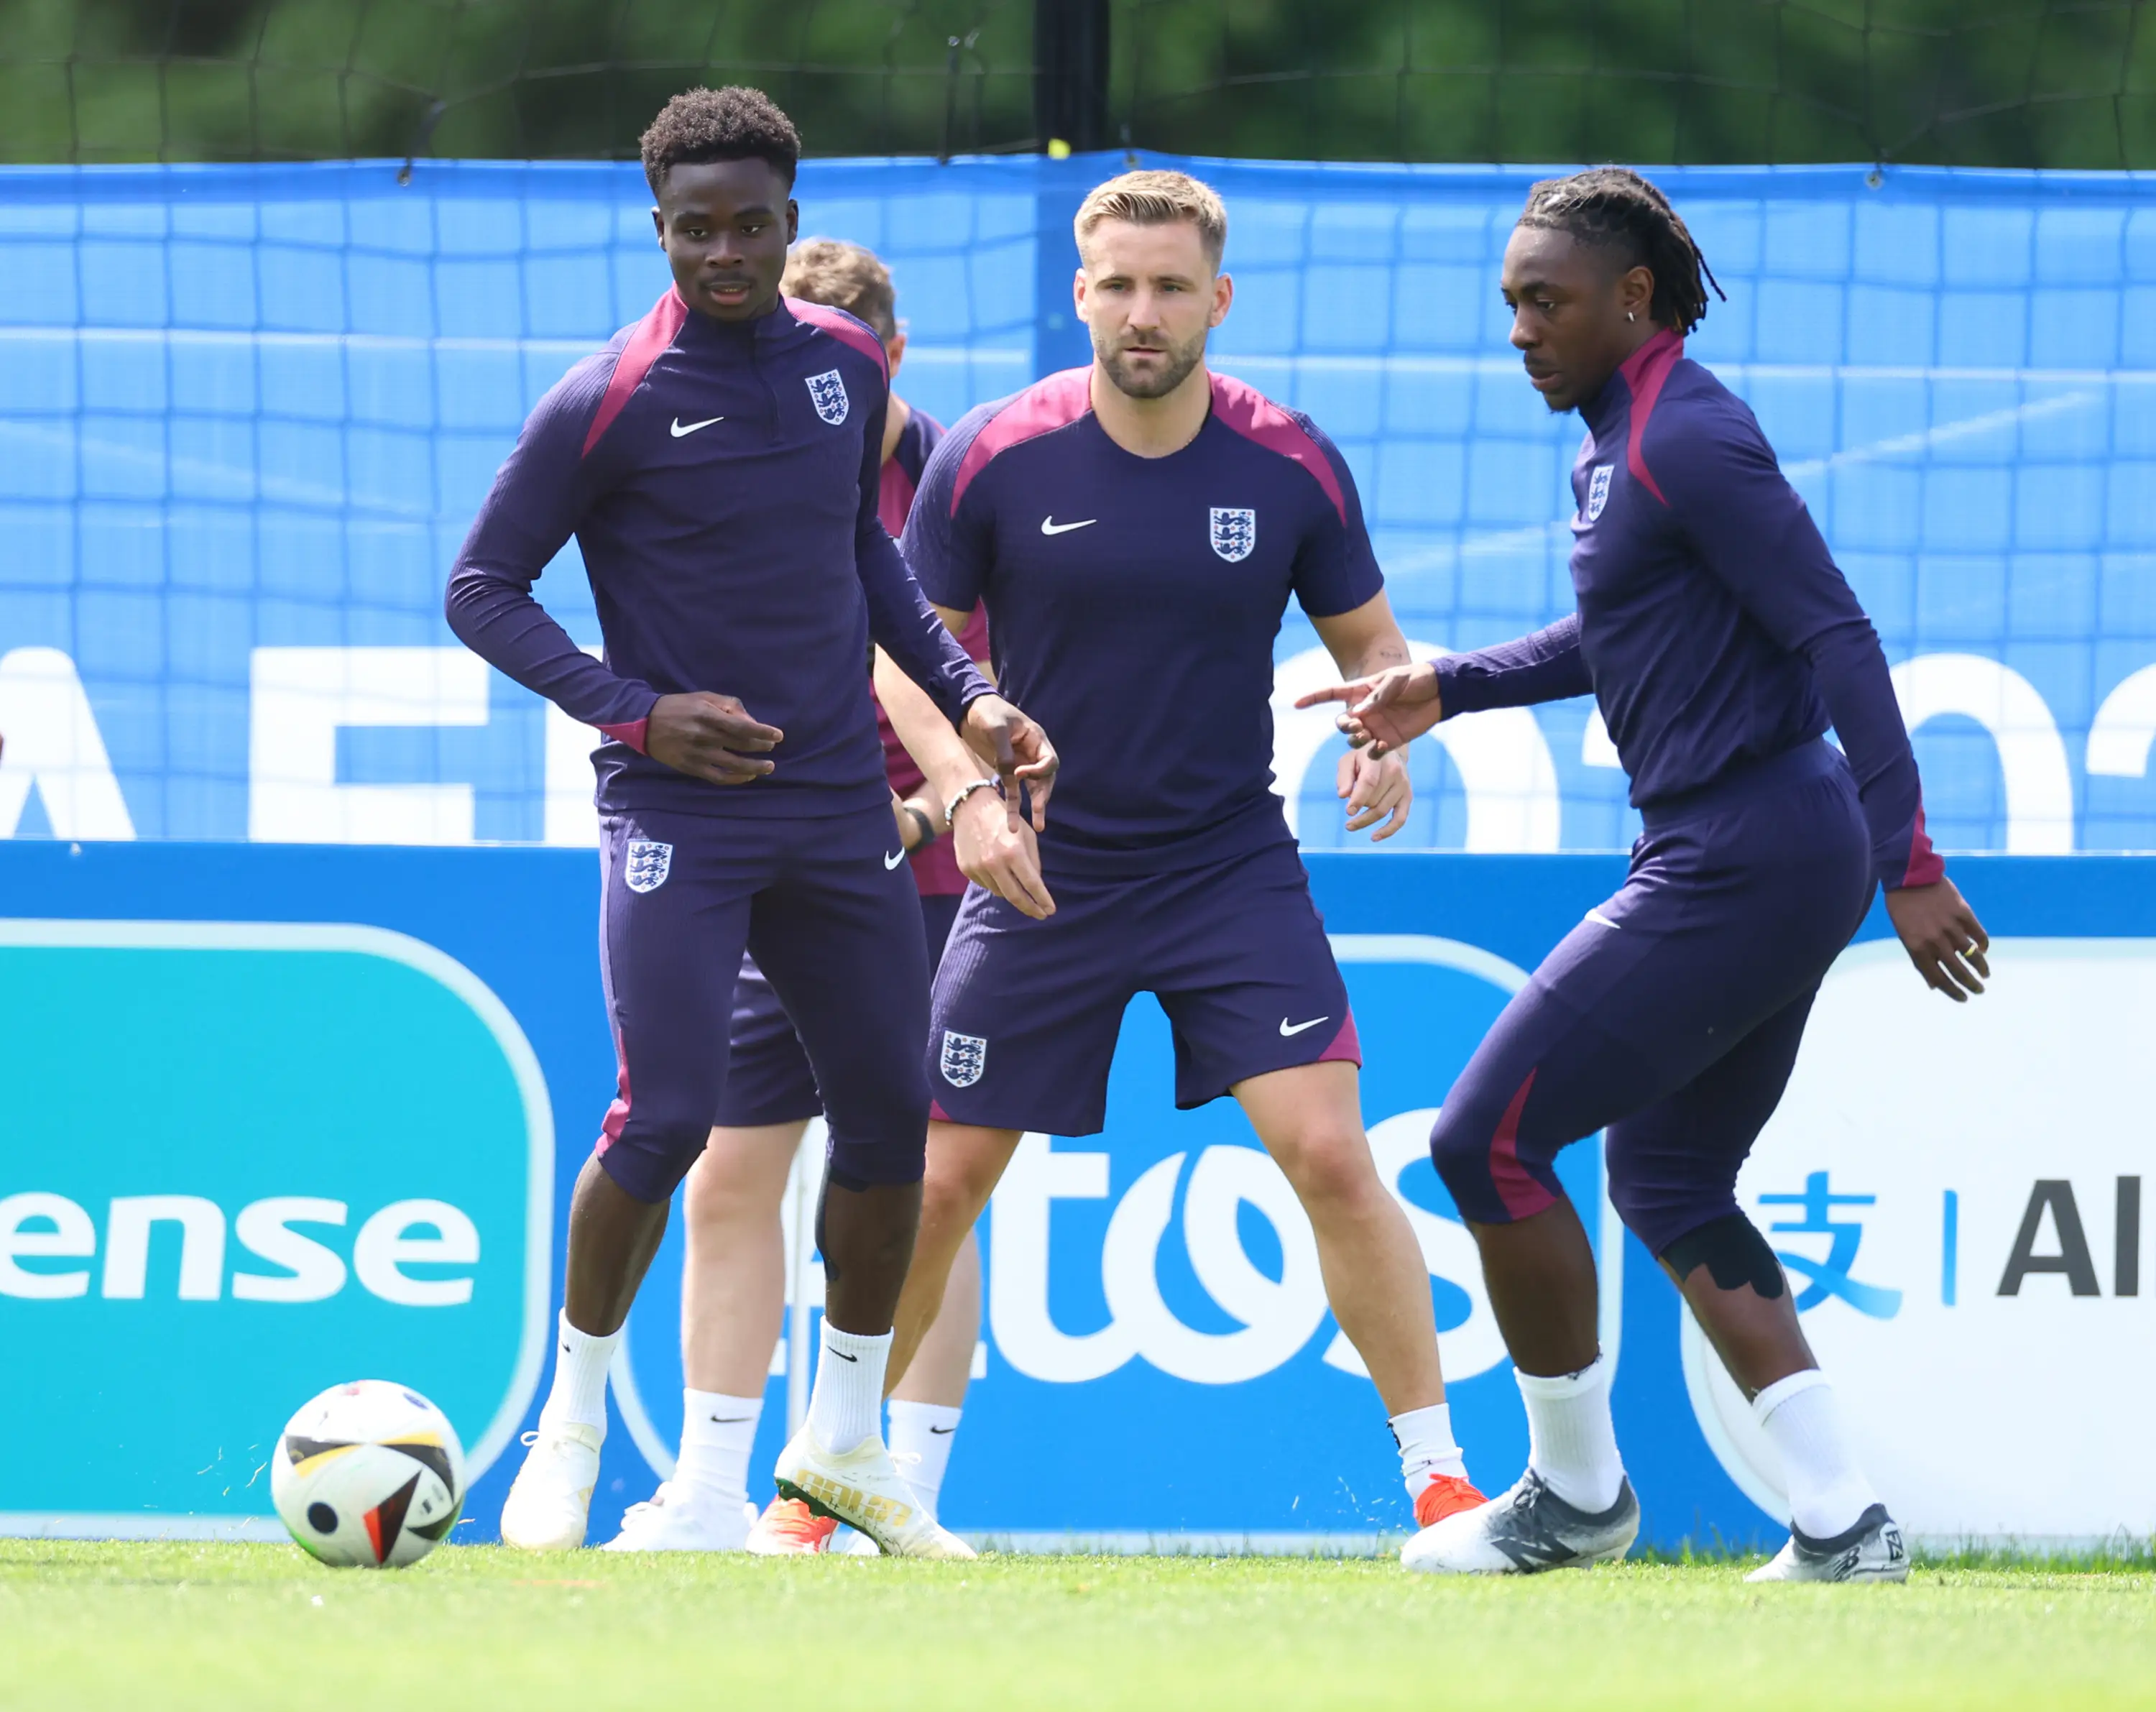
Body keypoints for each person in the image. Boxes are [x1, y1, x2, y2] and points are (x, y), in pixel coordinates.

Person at [1299, 167, 1990, 1582]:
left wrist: (1909, 857)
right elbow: (1620, 626)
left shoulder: (1687, 437)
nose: (1518, 331)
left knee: (1480, 1139)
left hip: (1750, 848)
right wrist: (1454, 685)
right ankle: (1845, 1525)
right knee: (1670, 1178)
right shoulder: (1627, 432)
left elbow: (1839, 635)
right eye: (1509, 304)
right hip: (1759, 845)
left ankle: (1572, 1500)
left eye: (1544, 303)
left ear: (1633, 298)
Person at [444, 86, 1055, 1558]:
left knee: (893, 1122)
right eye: (695, 230)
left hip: (839, 806)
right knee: (662, 1121)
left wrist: (967, 700)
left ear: (794, 220)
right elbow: (482, 593)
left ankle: (844, 1450)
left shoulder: (848, 369)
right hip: (680, 814)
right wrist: (638, 713)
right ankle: (572, 1426)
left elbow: (865, 556)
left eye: (753, 226)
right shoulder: (603, 398)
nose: (725, 254)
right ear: (658, 230)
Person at [884, 170, 1487, 1532]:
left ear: (1218, 300)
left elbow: (1374, 655)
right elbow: (902, 654)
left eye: (1171, 288)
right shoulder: (993, 454)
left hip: (1227, 868)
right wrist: (965, 794)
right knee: (933, 1183)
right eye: (1118, 285)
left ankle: (1442, 1485)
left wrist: (1380, 732)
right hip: (1048, 870)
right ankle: (853, 1479)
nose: (1142, 311)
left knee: (1333, 1154)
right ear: (1081, 293)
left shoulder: (1291, 462)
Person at [600, 238, 1033, 1555]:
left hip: (944, 868)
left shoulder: (962, 471)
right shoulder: (727, 434)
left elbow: (928, 645)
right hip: (784, 841)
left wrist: (960, 792)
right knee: (731, 1169)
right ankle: (713, 1491)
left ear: (886, 356)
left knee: (927, 1181)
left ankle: (896, 1483)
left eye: (850, 351)